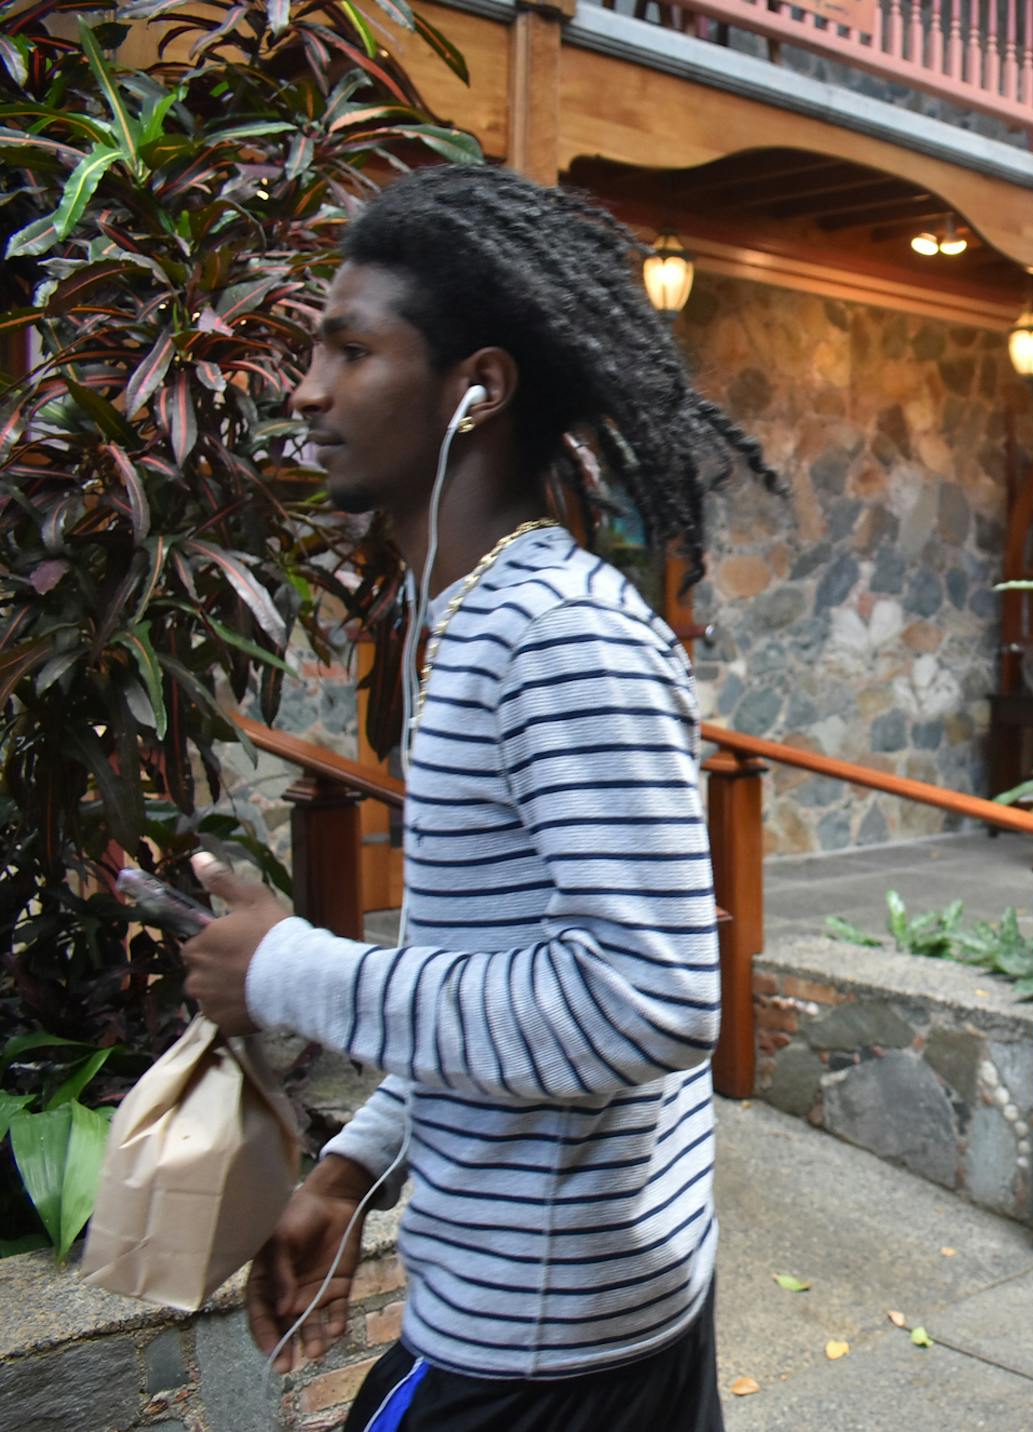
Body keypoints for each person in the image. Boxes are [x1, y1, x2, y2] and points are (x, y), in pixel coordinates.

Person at [177, 165, 782, 1431]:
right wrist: (350, 1167)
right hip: (542, 1312)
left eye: (352, 349)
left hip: (554, 1349)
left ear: (477, 390)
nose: (307, 388)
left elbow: (649, 997)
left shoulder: (552, 631)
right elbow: (493, 971)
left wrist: (290, 969)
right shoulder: (471, 618)